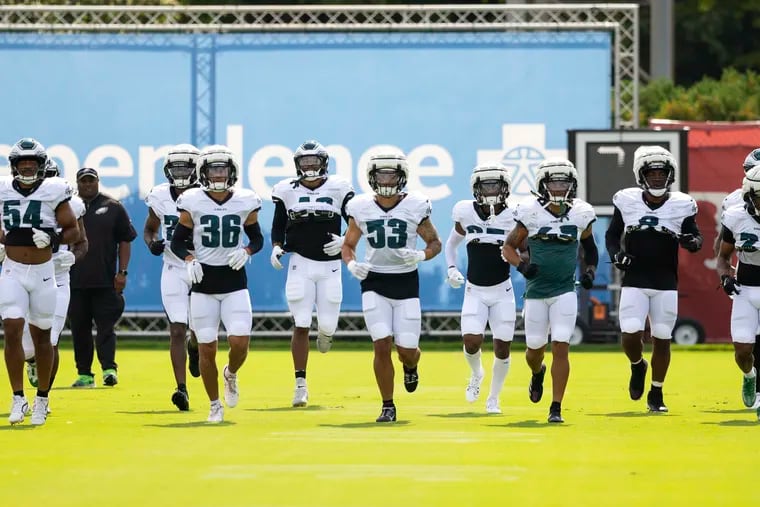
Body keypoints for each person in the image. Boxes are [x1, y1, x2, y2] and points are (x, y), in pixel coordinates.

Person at [341, 151, 442, 423]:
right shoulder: (361, 206)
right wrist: (351, 265)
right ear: (372, 178)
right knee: (381, 344)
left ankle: (411, 365)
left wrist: (422, 255)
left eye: (391, 174)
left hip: (406, 281)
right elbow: (348, 246)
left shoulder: (415, 205)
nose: (386, 180)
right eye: (381, 175)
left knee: (406, 350)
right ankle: (387, 405)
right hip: (374, 281)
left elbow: (435, 244)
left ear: (402, 177)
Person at [170, 144, 263, 423]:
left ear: (232, 172)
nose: (219, 174)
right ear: (204, 172)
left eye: (223, 169)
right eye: (214, 169)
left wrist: (246, 251)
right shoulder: (192, 200)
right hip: (203, 282)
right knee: (207, 347)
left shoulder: (245, 200)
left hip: (234, 281)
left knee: (240, 342)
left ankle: (231, 373)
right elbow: (177, 240)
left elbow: (257, 238)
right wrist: (189, 259)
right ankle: (214, 405)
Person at [605, 146, 702, 413]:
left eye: (662, 173)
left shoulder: (683, 204)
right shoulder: (626, 200)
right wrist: (616, 255)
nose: (658, 178)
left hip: (665, 280)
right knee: (630, 334)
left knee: (662, 337)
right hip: (635, 278)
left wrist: (692, 241)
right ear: (641, 174)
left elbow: (696, 237)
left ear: (670, 175)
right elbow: (612, 236)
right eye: (652, 172)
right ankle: (637, 366)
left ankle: (656, 392)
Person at [501, 158, 598, 423]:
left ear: (573, 184)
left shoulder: (581, 212)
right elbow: (508, 248)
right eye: (554, 182)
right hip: (536, 291)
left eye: (564, 182)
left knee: (561, 345)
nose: (559, 187)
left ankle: (556, 407)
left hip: (565, 290)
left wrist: (590, 271)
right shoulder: (530, 212)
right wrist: (522, 267)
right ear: (542, 185)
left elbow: (591, 250)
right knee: (534, 349)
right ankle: (537, 372)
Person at [0, 138, 80, 425]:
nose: (27, 167)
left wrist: (54, 238)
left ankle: (42, 398)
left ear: (42, 165)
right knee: (11, 328)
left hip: (44, 271)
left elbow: (74, 231)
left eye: (32, 163)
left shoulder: (54, 191)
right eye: (22, 163)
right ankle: (18, 397)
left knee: (43, 338)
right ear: (13, 166)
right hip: (12, 270)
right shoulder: (4, 189)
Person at [270, 140, 355, 407]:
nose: (309, 166)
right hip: (300, 262)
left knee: (327, 325)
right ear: (297, 165)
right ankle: (300, 384)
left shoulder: (339, 188)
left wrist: (345, 240)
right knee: (301, 323)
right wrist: (276, 247)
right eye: (304, 162)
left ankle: (327, 333)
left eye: (313, 162)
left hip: (330, 265)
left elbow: (356, 221)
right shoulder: (287, 190)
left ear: (323, 163)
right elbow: (278, 224)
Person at [445, 163, 516, 414]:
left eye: (495, 185)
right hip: (475, 290)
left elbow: (524, 248)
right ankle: (476, 374)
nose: (490, 190)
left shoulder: (514, 214)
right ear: (476, 188)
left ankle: (493, 398)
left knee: (502, 346)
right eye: (486, 186)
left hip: (502, 290)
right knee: (471, 341)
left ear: (505, 187)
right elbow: (451, 243)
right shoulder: (465, 212)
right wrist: (451, 268)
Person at [21, 159, 88, 409]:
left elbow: (81, 242)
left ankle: (43, 397)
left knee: (51, 339)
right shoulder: (17, 202)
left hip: (57, 276)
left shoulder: (71, 205)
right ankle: (31, 362)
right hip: (25, 273)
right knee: (26, 347)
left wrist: (74, 255)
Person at [144, 144, 202, 411]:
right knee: (177, 329)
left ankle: (195, 348)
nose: (180, 173)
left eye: (185, 168)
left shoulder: (207, 194)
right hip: (173, 267)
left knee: (200, 331)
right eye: (175, 168)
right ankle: (181, 389)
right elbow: (150, 229)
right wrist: (151, 243)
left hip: (202, 266)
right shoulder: (160, 196)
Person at [69, 166, 137, 388]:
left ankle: (109, 370)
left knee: (106, 327)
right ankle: (85, 374)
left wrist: (122, 272)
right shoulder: (68, 207)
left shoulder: (113, 207)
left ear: (98, 182)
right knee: (80, 329)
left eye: (91, 181)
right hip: (74, 280)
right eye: (83, 181)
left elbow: (125, 240)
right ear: (77, 184)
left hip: (106, 280)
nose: (88, 185)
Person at [714, 148, 760, 409]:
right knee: (743, 352)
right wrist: (725, 277)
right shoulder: (736, 215)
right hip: (746, 289)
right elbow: (723, 257)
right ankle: (749, 376)